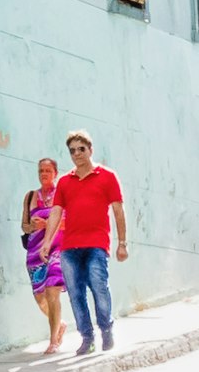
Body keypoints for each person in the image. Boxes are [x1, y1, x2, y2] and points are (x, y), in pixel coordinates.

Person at [49, 132, 127, 354]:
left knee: (99, 287)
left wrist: (122, 242)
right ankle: (87, 338)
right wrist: (47, 243)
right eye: (72, 150)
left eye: (81, 149)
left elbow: (118, 210)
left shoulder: (107, 176)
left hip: (96, 244)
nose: (76, 154)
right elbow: (56, 212)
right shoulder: (64, 182)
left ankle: (106, 329)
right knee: (75, 294)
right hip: (69, 248)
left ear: (90, 150)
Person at [19, 157, 66, 355]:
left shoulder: (62, 195)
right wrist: (33, 226)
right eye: (41, 171)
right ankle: (59, 324)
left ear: (55, 173)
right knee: (40, 297)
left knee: (51, 290)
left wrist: (49, 225)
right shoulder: (30, 197)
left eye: (48, 170)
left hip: (57, 248)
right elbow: (24, 226)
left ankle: (53, 340)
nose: (44, 174)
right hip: (35, 252)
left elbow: (69, 223)